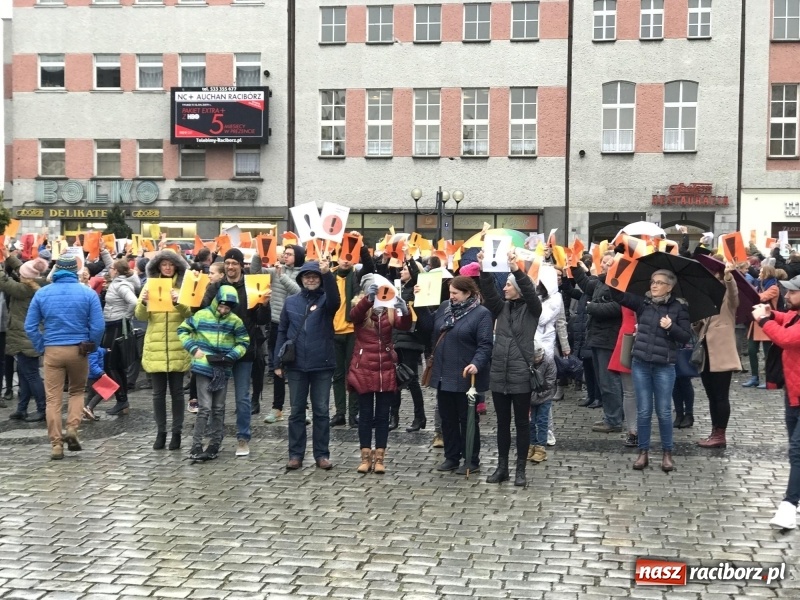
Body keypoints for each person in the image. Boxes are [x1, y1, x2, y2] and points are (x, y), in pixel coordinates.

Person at [24, 255, 105, 460]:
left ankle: (56, 445)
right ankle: (72, 429)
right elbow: (98, 326)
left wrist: (42, 345)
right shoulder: (88, 294)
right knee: (77, 391)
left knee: (53, 398)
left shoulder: (42, 293)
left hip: (52, 349)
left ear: (56, 270)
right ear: (75, 271)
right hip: (79, 349)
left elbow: (30, 326)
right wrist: (91, 345)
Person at [611, 269, 692, 472]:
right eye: (652, 281)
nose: (654, 285)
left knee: (664, 412)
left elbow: (685, 337)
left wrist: (671, 326)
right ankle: (643, 452)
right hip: (641, 364)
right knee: (644, 411)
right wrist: (615, 274)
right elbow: (618, 296)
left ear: (670, 287)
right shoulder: (643, 303)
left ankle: (667, 453)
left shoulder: (679, 308)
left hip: (665, 366)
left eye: (659, 282)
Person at [477, 250, 541, 487]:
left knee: (522, 425)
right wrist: (483, 268)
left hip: (521, 374)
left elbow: (532, 294)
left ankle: (520, 470)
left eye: (508, 285)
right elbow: (489, 293)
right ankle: (502, 467)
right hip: (499, 374)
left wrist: (516, 269)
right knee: (502, 424)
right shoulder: (502, 308)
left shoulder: (533, 310)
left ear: (518, 288)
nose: (504, 288)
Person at [201, 248, 271, 457]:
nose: (231, 267)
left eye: (234, 263)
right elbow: (204, 312)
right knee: (216, 398)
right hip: (219, 350)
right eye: (228, 263)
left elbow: (261, 320)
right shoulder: (216, 287)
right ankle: (215, 438)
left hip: (243, 350)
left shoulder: (251, 286)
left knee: (242, 397)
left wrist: (265, 305)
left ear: (242, 265)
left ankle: (243, 438)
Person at [274, 259, 340, 470]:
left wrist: (327, 273)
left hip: (322, 363)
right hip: (296, 365)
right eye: (307, 276)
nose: (311, 279)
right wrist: (277, 361)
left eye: (314, 276)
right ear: (301, 279)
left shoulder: (325, 300)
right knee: (296, 412)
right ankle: (295, 454)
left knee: (321, 411)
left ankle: (322, 454)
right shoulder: (291, 302)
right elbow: (282, 331)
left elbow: (336, 302)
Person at [428, 276, 493, 475]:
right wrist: (421, 306)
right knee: (447, 419)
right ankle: (451, 456)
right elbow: (429, 327)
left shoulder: (481, 314)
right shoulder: (445, 307)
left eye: (455, 293)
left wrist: (477, 363)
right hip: (443, 373)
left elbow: (485, 344)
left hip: (465, 375)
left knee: (467, 420)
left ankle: (471, 459)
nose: (452, 297)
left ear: (468, 293)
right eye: (450, 293)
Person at [179, 285, 250, 461]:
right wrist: (193, 348)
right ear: (216, 302)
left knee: (218, 408)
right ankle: (196, 444)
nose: (224, 310)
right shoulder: (201, 315)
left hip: (223, 368)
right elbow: (182, 330)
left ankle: (214, 443)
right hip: (203, 367)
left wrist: (233, 355)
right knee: (204, 408)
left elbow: (244, 341)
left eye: (228, 308)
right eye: (221, 306)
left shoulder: (235, 321)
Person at [347, 283, 411, 474]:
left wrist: (404, 310)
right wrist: (368, 300)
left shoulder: (389, 311)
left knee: (383, 415)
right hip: (364, 368)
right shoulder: (361, 306)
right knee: (365, 415)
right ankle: (365, 457)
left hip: (385, 369)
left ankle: (380, 457)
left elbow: (404, 326)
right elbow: (354, 317)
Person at [754, 276, 800, 528]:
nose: (787, 296)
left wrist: (763, 320)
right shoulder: (796, 314)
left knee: (797, 450)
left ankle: (789, 506)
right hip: (793, 394)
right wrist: (771, 313)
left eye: (793, 293)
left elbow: (787, 338)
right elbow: (785, 319)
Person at [136, 250, 193, 450]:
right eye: (164, 264)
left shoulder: (184, 287)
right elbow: (140, 316)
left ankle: (176, 433)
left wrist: (179, 302)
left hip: (177, 345)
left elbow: (190, 314)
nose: (167, 268)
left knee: (177, 393)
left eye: (171, 264)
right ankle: (161, 432)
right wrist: (144, 302)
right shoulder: (149, 286)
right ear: (158, 267)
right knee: (158, 394)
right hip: (156, 346)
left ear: (176, 266)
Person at [252, 245, 304, 425]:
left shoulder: (303, 273)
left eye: (289, 254)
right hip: (276, 323)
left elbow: (298, 292)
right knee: (277, 367)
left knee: (299, 368)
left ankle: (301, 409)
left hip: (296, 325)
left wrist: (282, 276)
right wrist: (259, 254)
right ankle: (277, 408)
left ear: (298, 256)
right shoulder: (275, 271)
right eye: (284, 253)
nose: (285, 256)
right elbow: (256, 272)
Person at [573, 256, 624, 427]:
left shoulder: (618, 283)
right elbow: (585, 284)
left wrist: (591, 307)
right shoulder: (601, 282)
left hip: (608, 338)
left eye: (609, 263)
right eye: (603, 262)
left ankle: (614, 419)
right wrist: (574, 267)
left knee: (609, 381)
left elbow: (617, 308)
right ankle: (610, 416)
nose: (603, 265)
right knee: (603, 381)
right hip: (596, 337)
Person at [694, 261, 741, 449]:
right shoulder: (706, 298)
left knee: (721, 395)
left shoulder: (727, 298)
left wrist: (729, 277)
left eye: (713, 275)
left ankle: (720, 434)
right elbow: (701, 326)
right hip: (706, 355)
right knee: (712, 395)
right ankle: (715, 431)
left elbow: (734, 296)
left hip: (721, 354)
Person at [331, 233, 374, 428]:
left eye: (349, 257)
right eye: (342, 256)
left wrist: (362, 246)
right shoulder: (330, 277)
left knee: (353, 374)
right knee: (337, 375)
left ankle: (353, 413)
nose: (345, 260)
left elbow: (370, 267)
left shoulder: (356, 275)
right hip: (333, 332)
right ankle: (339, 412)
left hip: (352, 332)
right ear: (337, 257)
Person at [1, 258, 49, 422]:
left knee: (32, 375)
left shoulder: (23, 289)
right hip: (29, 338)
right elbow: (26, 270)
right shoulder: (36, 283)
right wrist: (8, 256)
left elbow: (4, 281)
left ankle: (43, 409)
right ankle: (22, 409)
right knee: (24, 374)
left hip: (25, 338)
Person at [395, 259, 432, 432]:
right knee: (394, 379)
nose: (401, 271)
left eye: (405, 269)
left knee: (411, 380)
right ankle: (393, 417)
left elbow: (418, 277)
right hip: (396, 338)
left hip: (411, 339)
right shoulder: (399, 289)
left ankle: (420, 417)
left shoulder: (417, 288)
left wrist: (409, 258)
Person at [102, 259, 138, 416]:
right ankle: (121, 400)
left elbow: (134, 302)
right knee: (114, 365)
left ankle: (122, 399)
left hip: (117, 326)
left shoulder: (120, 285)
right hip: (112, 325)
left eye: (111, 268)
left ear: (116, 271)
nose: (109, 269)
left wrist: (125, 317)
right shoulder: (118, 281)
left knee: (111, 364)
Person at [188, 262, 225, 414]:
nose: (209, 275)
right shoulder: (207, 287)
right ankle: (195, 398)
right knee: (199, 367)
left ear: (222, 275)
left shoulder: (220, 290)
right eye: (208, 272)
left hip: (217, 336)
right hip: (204, 334)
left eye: (212, 273)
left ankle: (206, 401)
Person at [743, 264, 779, 388]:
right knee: (751, 350)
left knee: (768, 353)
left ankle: (769, 379)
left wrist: (751, 291)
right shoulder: (760, 285)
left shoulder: (773, 287)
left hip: (767, 322)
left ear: (767, 273)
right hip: (756, 322)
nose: (759, 274)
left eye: (761, 272)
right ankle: (754, 377)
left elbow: (761, 298)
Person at [529, 342, 557, 465]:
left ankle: (540, 447)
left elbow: (550, 381)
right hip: (529, 397)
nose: (536, 360)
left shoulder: (549, 362)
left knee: (542, 421)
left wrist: (539, 394)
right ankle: (531, 445)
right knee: (530, 422)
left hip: (544, 396)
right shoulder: (527, 362)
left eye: (538, 357)